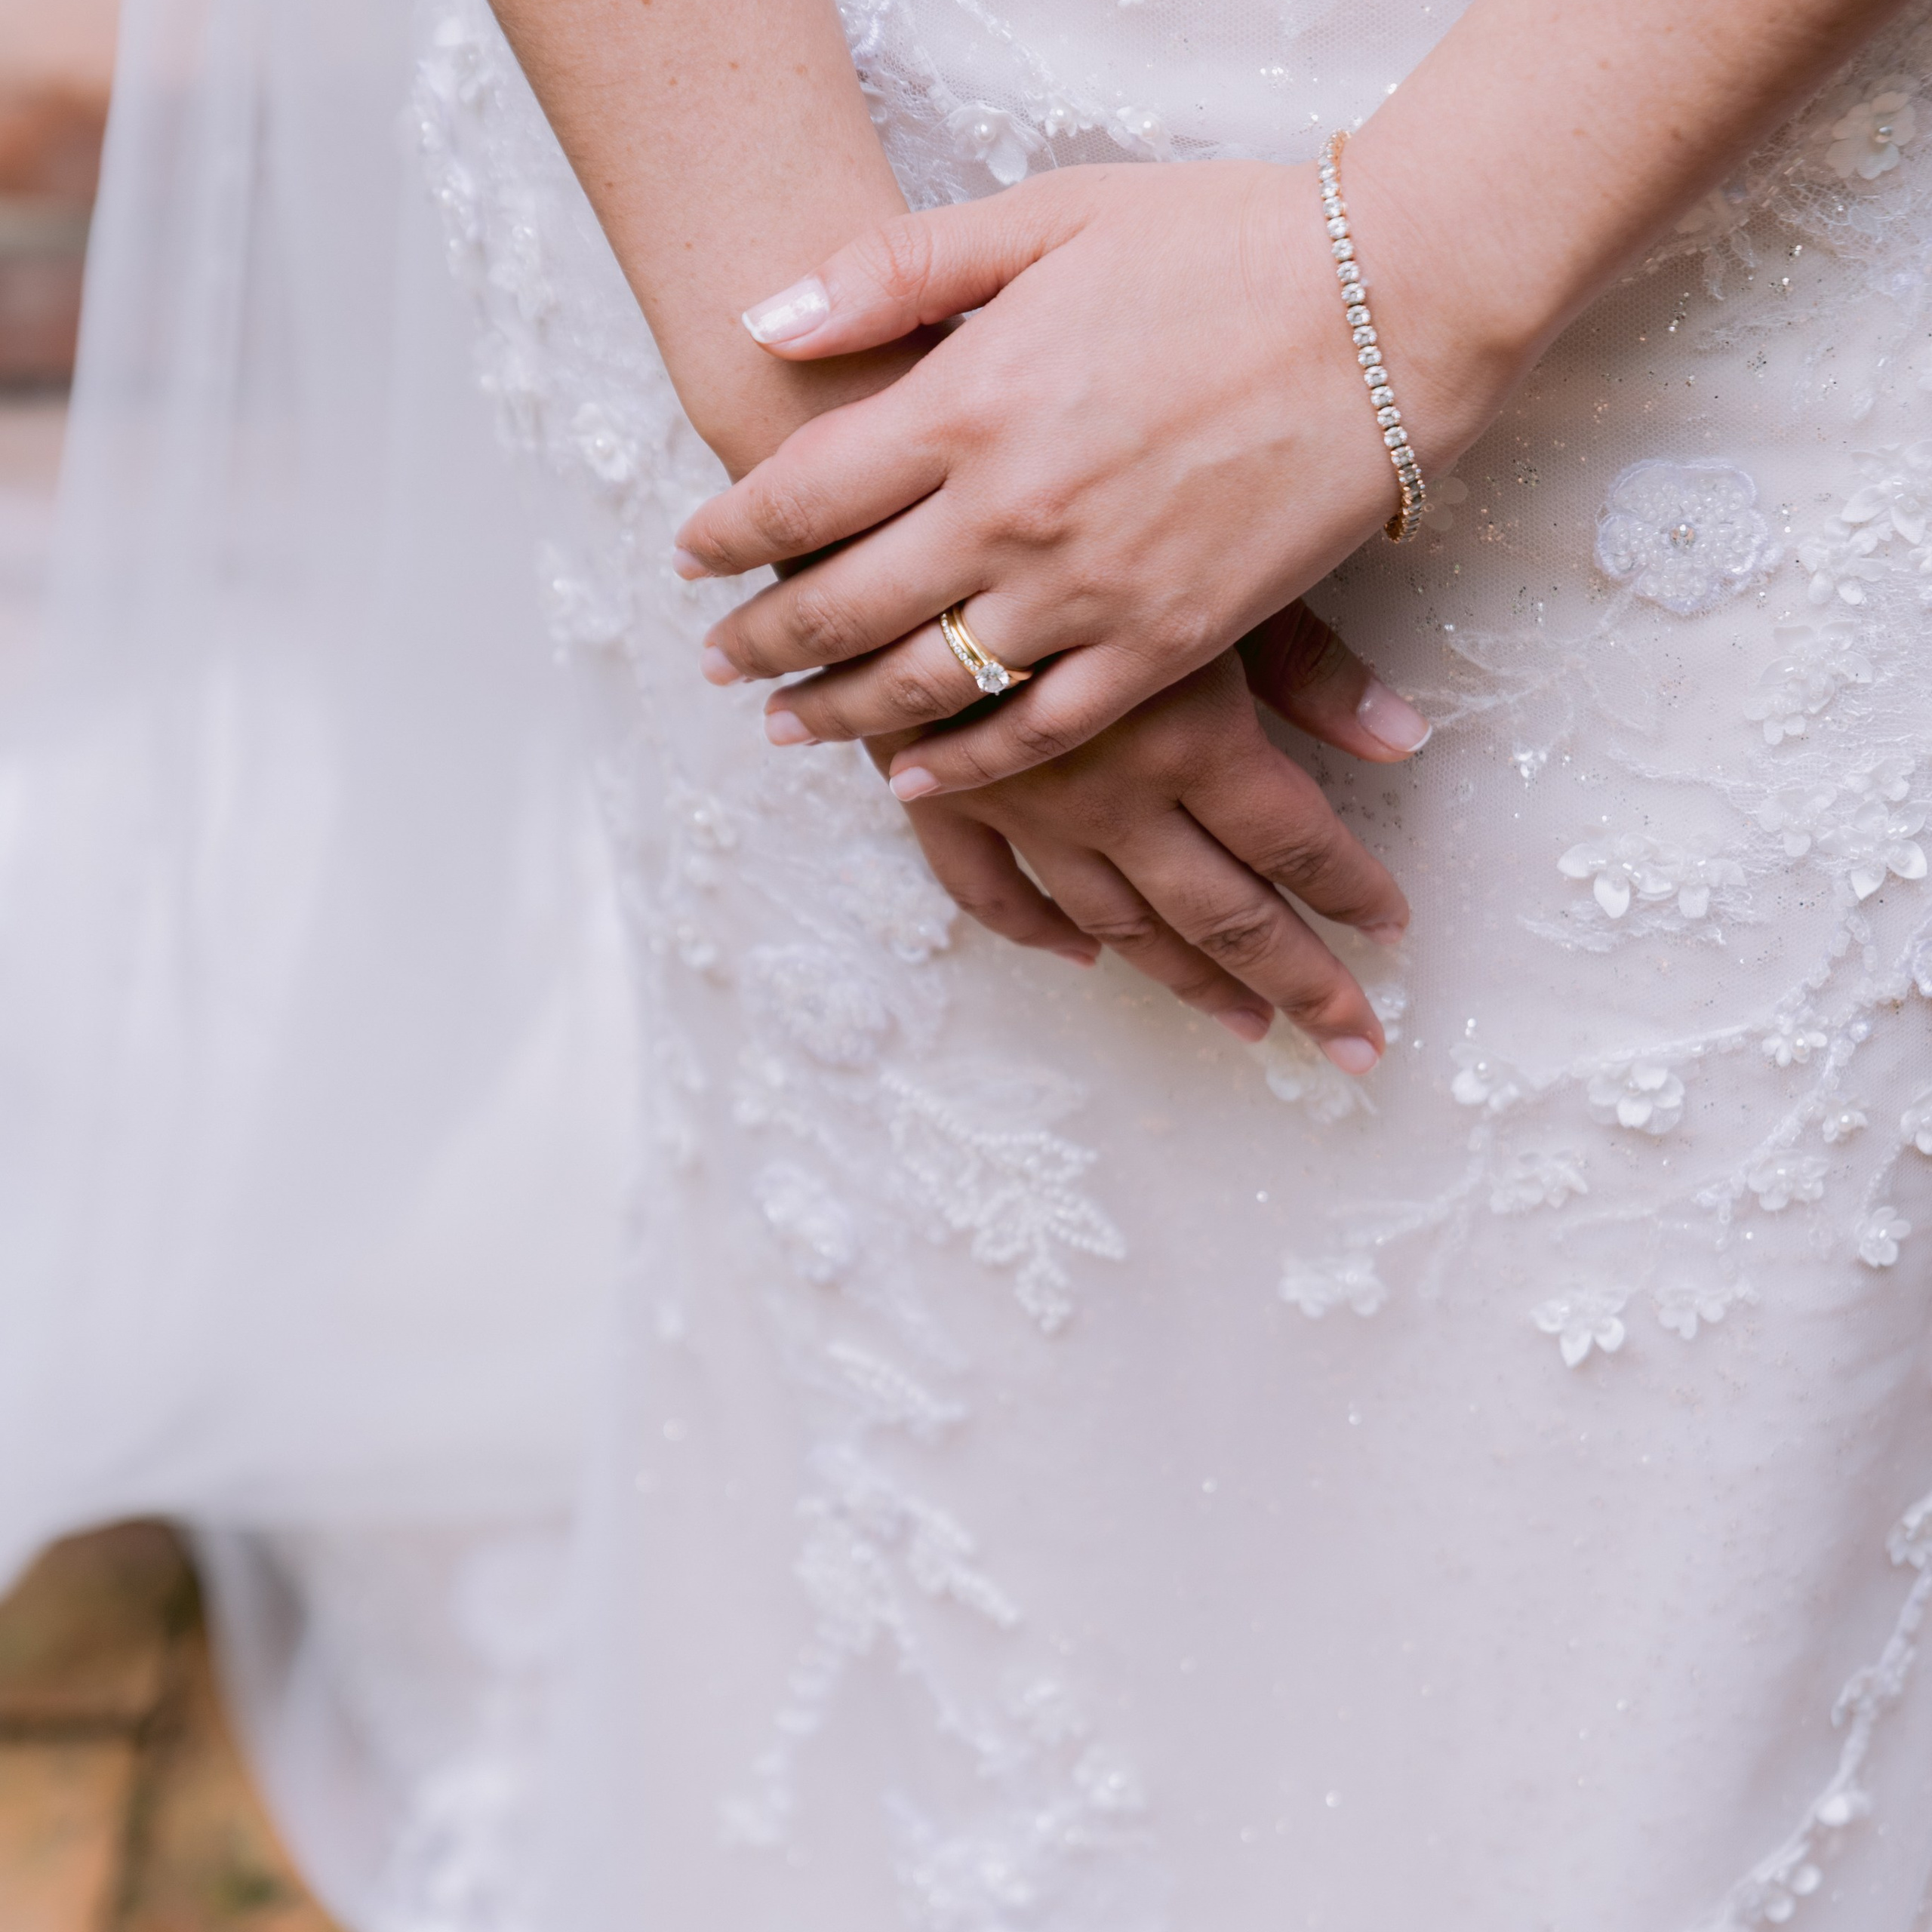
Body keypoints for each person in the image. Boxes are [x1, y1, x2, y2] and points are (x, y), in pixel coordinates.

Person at [13, 0, 1932, 1923]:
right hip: (763, 153)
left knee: (1669, 1527)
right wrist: (858, 483)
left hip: (1713, 175)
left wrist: (1411, 276)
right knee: (954, 1412)